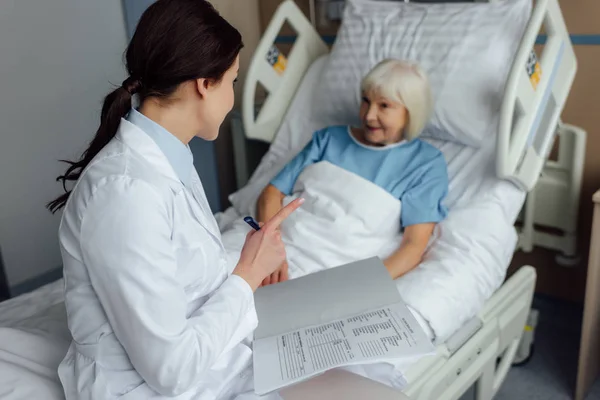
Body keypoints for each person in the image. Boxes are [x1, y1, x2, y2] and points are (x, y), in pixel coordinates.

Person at [46, 0, 302, 399]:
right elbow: (172, 371)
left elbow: (181, 271)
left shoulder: (168, 157)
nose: (232, 98)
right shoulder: (124, 192)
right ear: (205, 83)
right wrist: (247, 274)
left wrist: (251, 261)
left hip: (211, 366)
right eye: (233, 82)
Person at [257, 59, 449, 286]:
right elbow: (271, 194)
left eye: (384, 106)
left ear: (410, 111)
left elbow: (413, 246)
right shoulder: (328, 139)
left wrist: (358, 287)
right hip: (282, 248)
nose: (368, 115)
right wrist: (271, 253)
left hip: (335, 267)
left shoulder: (426, 164)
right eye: (366, 101)